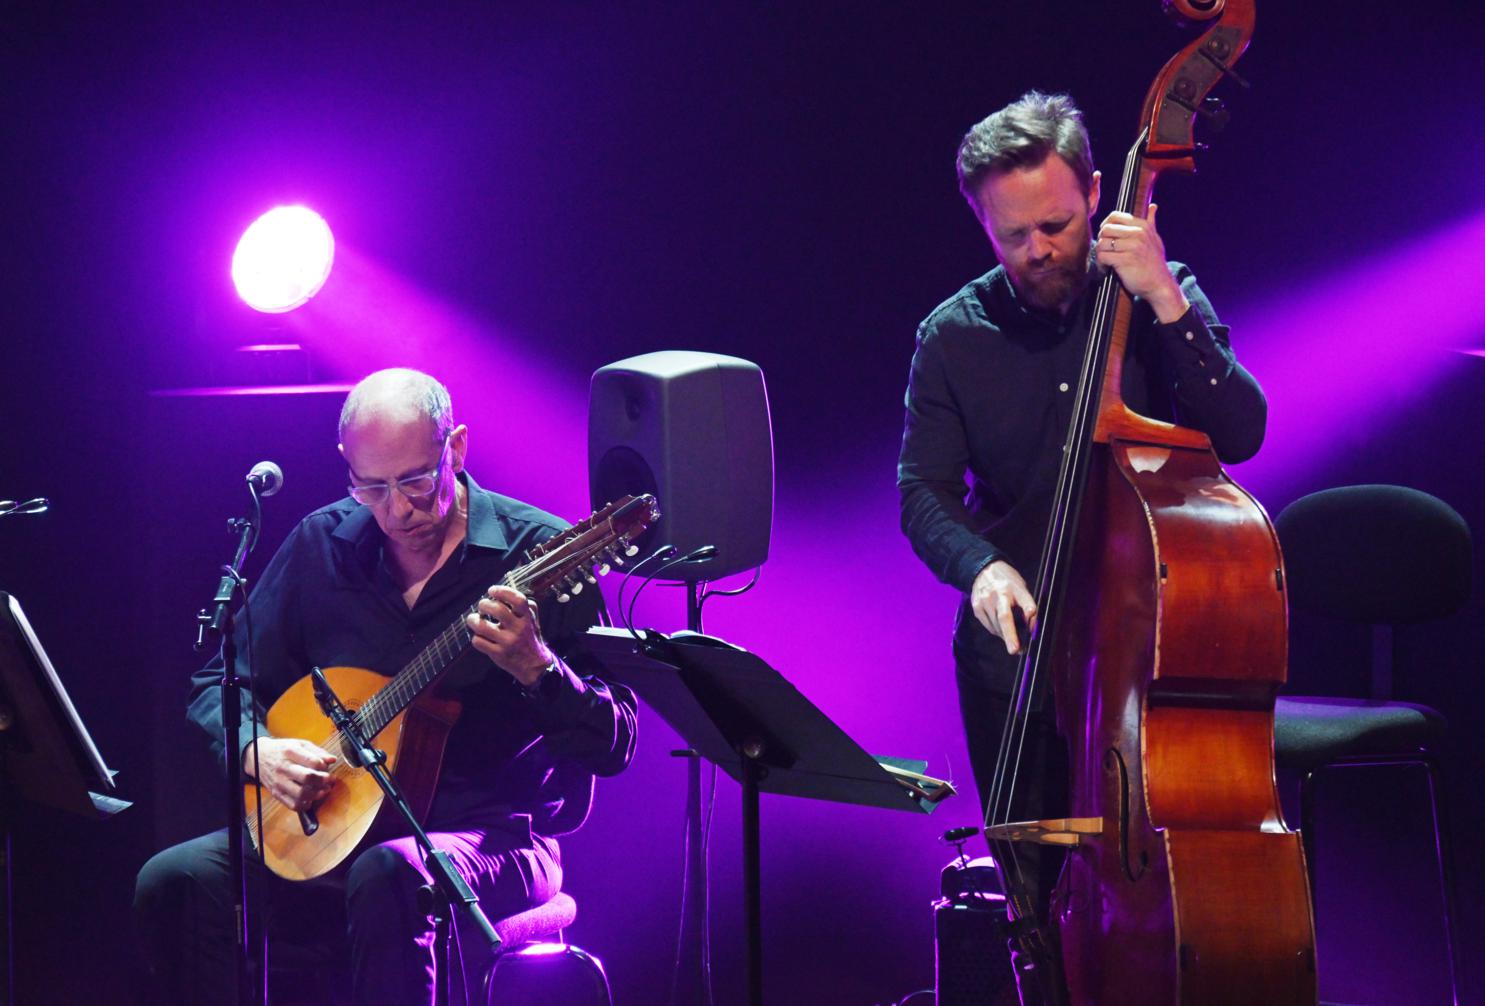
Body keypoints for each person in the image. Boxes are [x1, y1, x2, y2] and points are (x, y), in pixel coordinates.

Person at [135, 368, 637, 1005]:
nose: (398, 510)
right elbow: (218, 681)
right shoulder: (322, 544)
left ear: (456, 448)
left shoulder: (536, 553)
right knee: (175, 880)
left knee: (389, 874)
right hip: (337, 827)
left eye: (416, 481)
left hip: (494, 837)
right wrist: (259, 751)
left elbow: (615, 744)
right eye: (371, 487)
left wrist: (538, 667)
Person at [896, 91, 1267, 901]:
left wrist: (1163, 297)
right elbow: (921, 491)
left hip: (1152, 652)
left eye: (1056, 225)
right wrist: (980, 568)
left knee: (1165, 890)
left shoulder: (1160, 297)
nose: (1037, 250)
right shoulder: (952, 337)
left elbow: (1241, 431)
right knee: (1033, 891)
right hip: (1019, 658)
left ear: (1096, 193)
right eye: (1011, 235)